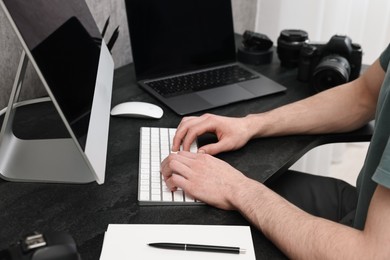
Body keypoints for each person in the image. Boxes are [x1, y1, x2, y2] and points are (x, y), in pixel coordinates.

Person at [160, 44, 390, 259]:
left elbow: (370, 254)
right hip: (363, 208)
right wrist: (250, 125)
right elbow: (364, 95)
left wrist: (237, 188)